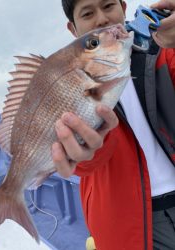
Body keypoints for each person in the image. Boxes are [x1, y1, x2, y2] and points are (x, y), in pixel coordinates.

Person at [52, 0, 175, 249]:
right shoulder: (67, 84)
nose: (101, 19)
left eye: (108, 6)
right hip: (129, 222)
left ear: (124, 7)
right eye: (87, 13)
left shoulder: (165, 47)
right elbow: (85, 164)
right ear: (73, 29)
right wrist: (84, 154)